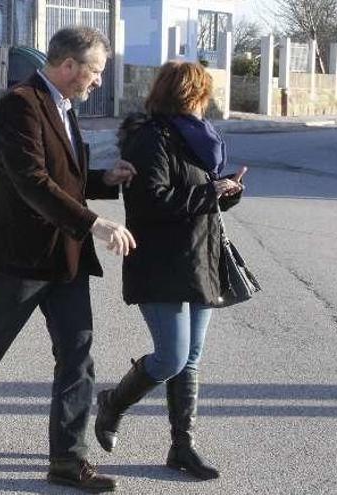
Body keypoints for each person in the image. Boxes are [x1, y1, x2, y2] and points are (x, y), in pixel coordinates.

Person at [0, 27, 137, 494]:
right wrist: (95, 224)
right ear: (70, 67)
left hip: (63, 257)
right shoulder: (19, 104)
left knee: (77, 354)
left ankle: (67, 459)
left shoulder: (63, 107)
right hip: (17, 258)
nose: (98, 82)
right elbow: (32, 182)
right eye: (97, 72)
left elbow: (66, 175)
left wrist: (106, 180)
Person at [95, 60, 247, 481]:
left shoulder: (200, 139)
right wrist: (208, 192)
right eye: (204, 94)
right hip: (160, 260)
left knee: (191, 358)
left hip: (200, 256)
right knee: (172, 356)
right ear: (191, 95)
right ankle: (112, 403)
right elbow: (151, 202)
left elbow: (202, 197)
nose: (208, 102)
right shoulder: (150, 139)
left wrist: (226, 192)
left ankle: (182, 447)